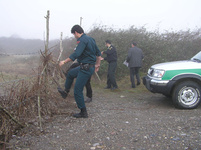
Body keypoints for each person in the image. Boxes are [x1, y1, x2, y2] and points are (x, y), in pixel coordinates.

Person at [58, 25, 101, 118]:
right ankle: (65, 92)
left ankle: (83, 112)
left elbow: (76, 54)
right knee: (70, 73)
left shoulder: (82, 40)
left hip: (86, 69)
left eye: (74, 34)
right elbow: (98, 53)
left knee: (77, 90)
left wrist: (64, 61)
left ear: (76, 32)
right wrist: (98, 64)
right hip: (86, 67)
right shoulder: (91, 39)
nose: (74, 36)